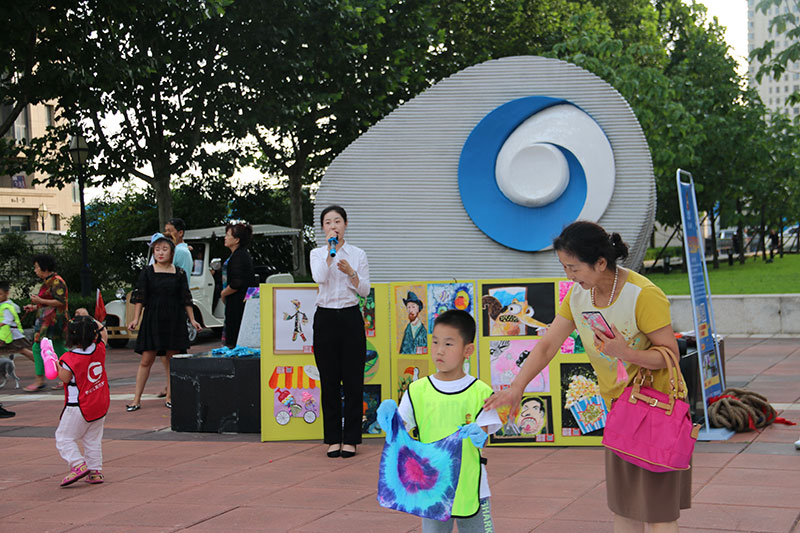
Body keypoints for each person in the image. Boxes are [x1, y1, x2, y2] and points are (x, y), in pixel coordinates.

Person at [485, 221, 688, 533]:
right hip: (620, 410)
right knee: (625, 506)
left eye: (574, 268)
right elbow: (548, 346)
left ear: (601, 263)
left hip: (655, 409)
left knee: (658, 510)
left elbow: (670, 354)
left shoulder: (643, 295)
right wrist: (517, 387)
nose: (569, 276)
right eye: (564, 267)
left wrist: (625, 352)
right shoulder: (579, 297)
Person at [398, 310, 500, 532]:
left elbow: (484, 439)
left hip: (472, 487)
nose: (439, 350)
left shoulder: (481, 392)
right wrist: (392, 425)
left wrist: (480, 435)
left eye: (448, 344)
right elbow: (400, 431)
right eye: (435, 342)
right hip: (432, 486)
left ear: (467, 350)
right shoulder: (417, 390)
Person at [310, 205, 370, 458]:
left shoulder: (357, 254)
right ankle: (333, 438)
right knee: (329, 380)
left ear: (345, 224)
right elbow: (319, 277)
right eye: (328, 222)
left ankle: (352, 439)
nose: (333, 226)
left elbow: (364, 290)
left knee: (353, 379)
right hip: (325, 317)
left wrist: (351, 273)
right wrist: (330, 254)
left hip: (349, 316)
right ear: (323, 228)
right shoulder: (317, 253)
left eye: (337, 221)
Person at [127, 233, 201, 411]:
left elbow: (186, 298)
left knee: (170, 360)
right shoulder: (147, 272)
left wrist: (192, 319)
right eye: (157, 249)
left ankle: (170, 396)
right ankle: (136, 399)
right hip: (153, 318)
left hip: (174, 319)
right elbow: (140, 297)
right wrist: (136, 318)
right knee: (146, 359)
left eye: (164, 249)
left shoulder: (179, 273)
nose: (160, 253)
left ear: (172, 253)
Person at [55, 314, 109, 486]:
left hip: (78, 405)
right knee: (92, 439)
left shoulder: (69, 358)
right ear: (94, 333)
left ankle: (78, 464)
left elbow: (65, 378)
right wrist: (90, 319)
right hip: (99, 404)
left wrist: (55, 364)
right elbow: (104, 332)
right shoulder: (99, 348)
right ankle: (95, 471)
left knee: (64, 437)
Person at [23, 254, 68, 392]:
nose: (35, 270)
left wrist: (40, 301)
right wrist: (34, 307)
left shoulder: (56, 281)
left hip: (53, 322)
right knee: (58, 348)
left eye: (37, 267)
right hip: (48, 321)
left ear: (45, 267)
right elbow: (48, 303)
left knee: (39, 347)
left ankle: (40, 380)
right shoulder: (49, 281)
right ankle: (68, 376)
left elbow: (60, 302)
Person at [220, 222, 255, 348]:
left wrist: (223, 293)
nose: (225, 238)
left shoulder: (239, 256)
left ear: (237, 240)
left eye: (228, 235)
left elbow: (237, 282)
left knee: (235, 335)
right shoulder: (238, 254)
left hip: (238, 302)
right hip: (237, 301)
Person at [164, 217, 192, 285]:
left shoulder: (180, 251)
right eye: (165, 231)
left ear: (180, 233)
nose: (166, 234)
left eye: (169, 231)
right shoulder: (180, 249)